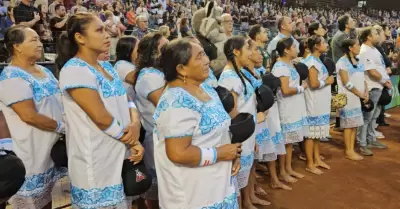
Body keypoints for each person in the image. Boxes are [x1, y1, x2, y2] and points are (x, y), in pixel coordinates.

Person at [56, 13, 143, 208]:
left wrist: (135, 122)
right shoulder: (75, 70)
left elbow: (126, 98)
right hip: (95, 157)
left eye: (105, 29)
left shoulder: (107, 66)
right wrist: (133, 139)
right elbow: (101, 117)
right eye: (99, 30)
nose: (107, 34)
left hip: (119, 149)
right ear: (80, 38)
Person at [153, 38, 240, 209]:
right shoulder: (176, 102)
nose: (207, 60)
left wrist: (232, 155)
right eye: (199, 57)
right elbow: (178, 153)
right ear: (181, 69)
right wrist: (220, 154)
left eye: (204, 54)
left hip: (218, 184)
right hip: (194, 194)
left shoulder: (205, 88)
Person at [0, 25, 67, 209]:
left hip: (48, 150)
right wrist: (63, 127)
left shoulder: (43, 70)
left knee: (46, 199)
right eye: (33, 40)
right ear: (17, 46)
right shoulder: (11, 77)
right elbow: (29, 115)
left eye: (39, 39)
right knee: (31, 203)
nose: (40, 44)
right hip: (30, 153)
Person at [218, 36, 256, 209]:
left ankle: (249, 200)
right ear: (236, 51)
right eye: (247, 49)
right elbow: (232, 113)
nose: (250, 53)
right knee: (237, 181)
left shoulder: (239, 72)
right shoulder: (228, 77)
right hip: (239, 134)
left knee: (247, 170)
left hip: (246, 132)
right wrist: (240, 138)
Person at [134, 32, 169, 209]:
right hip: (156, 139)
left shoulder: (157, 73)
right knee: (158, 190)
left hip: (164, 137)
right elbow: (166, 105)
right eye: (164, 47)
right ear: (152, 52)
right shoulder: (149, 76)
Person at [271, 37, 308, 183]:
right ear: (286, 50)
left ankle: (288, 168)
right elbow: (285, 90)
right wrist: (301, 88)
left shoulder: (290, 64)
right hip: (286, 107)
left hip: (294, 105)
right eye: (293, 47)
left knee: (290, 141)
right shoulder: (280, 66)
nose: (296, 49)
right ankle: (282, 171)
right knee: (285, 141)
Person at [301, 35, 334, 175]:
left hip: (320, 102)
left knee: (317, 134)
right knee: (310, 135)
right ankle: (310, 163)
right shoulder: (311, 62)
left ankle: (316, 159)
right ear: (316, 46)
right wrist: (327, 81)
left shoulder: (317, 60)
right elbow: (314, 84)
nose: (326, 44)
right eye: (324, 42)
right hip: (313, 102)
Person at [358, 27, 391, 156]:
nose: (377, 35)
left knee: (373, 117)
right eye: (374, 34)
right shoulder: (364, 50)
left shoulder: (373, 49)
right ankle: (362, 144)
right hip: (372, 86)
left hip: (379, 86)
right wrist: (384, 81)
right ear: (368, 37)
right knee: (366, 117)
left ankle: (371, 139)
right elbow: (371, 72)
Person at [336, 39, 368, 161]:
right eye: (358, 45)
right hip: (348, 97)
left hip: (357, 96)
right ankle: (348, 150)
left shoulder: (359, 60)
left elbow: (363, 78)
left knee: (354, 125)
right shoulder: (342, 62)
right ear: (350, 47)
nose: (360, 47)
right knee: (348, 126)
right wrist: (360, 94)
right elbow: (346, 83)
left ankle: (352, 149)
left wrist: (366, 91)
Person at [114, 36, 139, 102]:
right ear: (128, 51)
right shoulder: (121, 64)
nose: (141, 51)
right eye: (138, 48)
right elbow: (139, 80)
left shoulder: (135, 65)